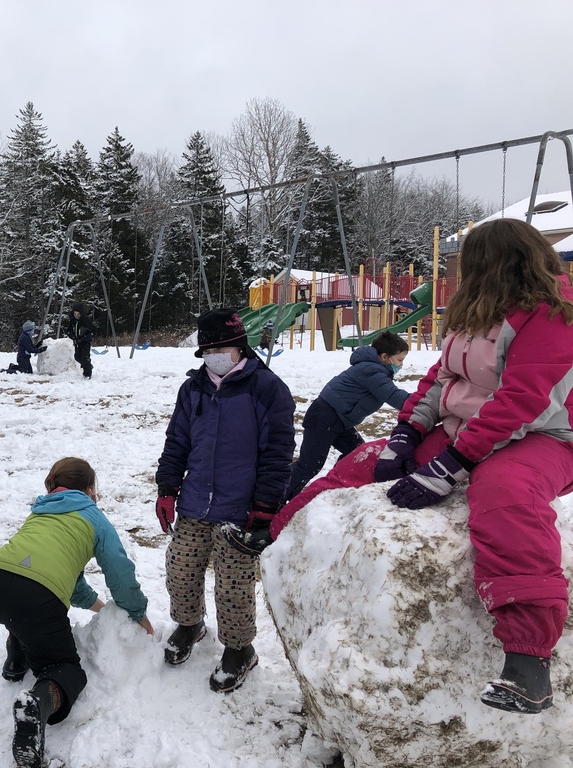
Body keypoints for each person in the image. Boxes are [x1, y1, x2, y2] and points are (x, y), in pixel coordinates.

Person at [223, 218, 573, 714]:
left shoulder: (552, 313)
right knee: (366, 459)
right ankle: (276, 530)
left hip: (541, 435)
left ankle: (528, 658)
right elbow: (438, 378)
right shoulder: (476, 314)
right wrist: (407, 433)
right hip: (464, 430)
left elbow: (523, 401)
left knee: (504, 492)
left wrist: (451, 464)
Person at [0, 457, 153, 768]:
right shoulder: (93, 516)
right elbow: (119, 572)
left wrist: (99, 608)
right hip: (35, 599)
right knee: (66, 668)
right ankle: (37, 705)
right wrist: (137, 612)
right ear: (90, 491)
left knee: (22, 612)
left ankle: (16, 660)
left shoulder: (40, 511)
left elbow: (66, 580)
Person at [155, 308, 295, 693]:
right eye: (209, 350)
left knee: (234, 584)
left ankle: (239, 649)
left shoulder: (267, 388)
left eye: (224, 348)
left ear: (239, 347)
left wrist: (266, 505)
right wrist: (167, 487)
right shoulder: (193, 389)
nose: (216, 356)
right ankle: (190, 624)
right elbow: (177, 441)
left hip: (241, 507)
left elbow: (278, 452)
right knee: (181, 568)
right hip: (196, 502)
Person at [284, 330, 411, 500]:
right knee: (309, 465)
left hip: (338, 420)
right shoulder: (372, 371)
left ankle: (332, 490)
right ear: (384, 357)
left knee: (356, 455)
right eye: (399, 360)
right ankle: (270, 499)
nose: (401, 365)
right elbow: (394, 396)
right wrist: (424, 403)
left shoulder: (375, 369)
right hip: (325, 417)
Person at [64, 303, 95, 379]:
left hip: (85, 342)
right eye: (75, 313)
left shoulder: (86, 320)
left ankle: (87, 374)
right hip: (77, 342)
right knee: (77, 357)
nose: (76, 315)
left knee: (85, 358)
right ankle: (88, 366)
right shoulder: (73, 321)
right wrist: (73, 337)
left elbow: (93, 331)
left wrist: (84, 337)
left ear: (81, 313)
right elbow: (69, 331)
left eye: (78, 313)